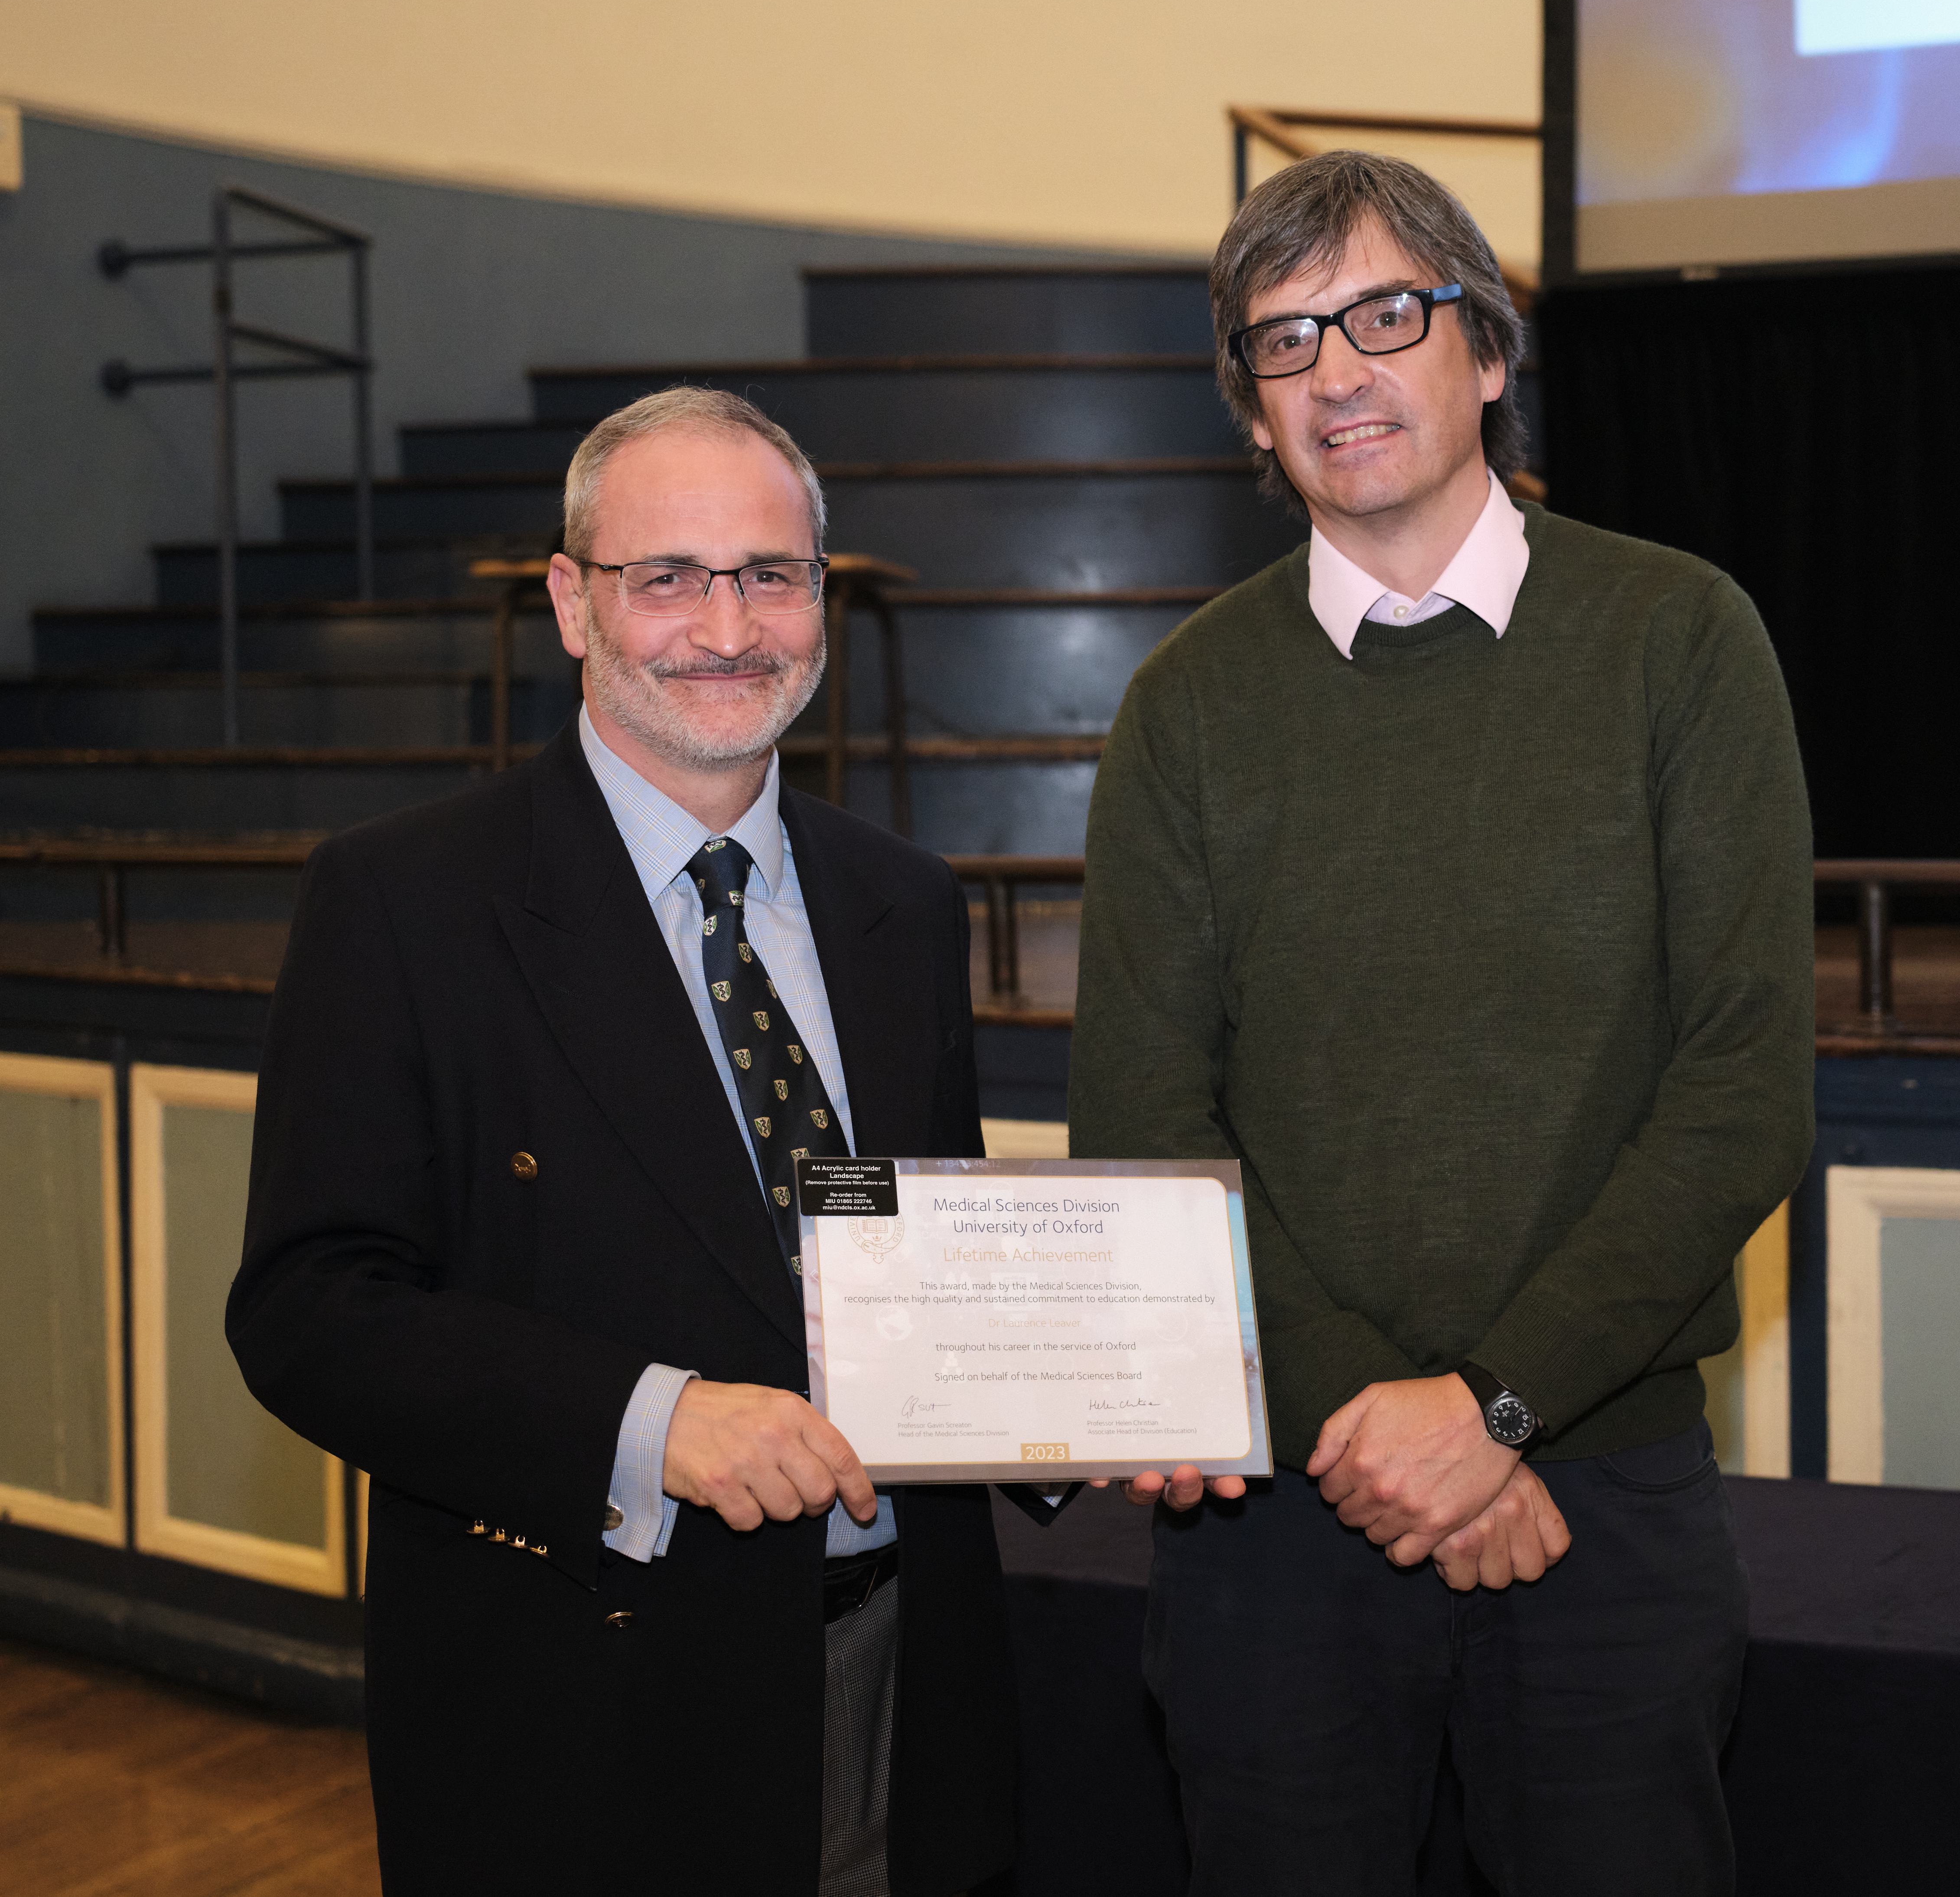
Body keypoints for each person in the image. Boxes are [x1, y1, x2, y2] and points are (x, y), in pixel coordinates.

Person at [1068, 152, 1815, 1894]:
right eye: (1284, 343)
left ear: (1487, 353)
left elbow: (1739, 1098)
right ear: (1252, 417)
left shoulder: (1677, 637)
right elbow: (1152, 1130)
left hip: (1604, 1501)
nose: (1338, 371)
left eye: (1387, 316)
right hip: (1283, 1532)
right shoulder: (1186, 706)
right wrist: (1402, 1433)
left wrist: (1496, 1407)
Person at [229, 387, 1035, 1897]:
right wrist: (652, 1420)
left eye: (771, 575)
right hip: (584, 1716)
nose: (728, 627)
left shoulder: (904, 904)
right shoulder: (403, 903)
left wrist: (1097, 1398)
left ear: (821, 596)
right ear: (571, 601)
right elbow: (309, 1309)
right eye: (667, 577)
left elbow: (920, 1254)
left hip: (898, 1681)